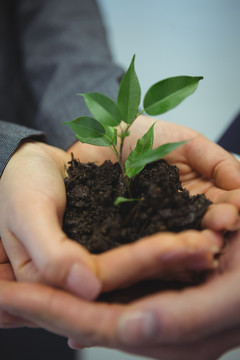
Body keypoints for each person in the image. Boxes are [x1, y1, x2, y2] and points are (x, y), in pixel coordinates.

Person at [1, 0, 240, 359]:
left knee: (45, 324)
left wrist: (92, 117)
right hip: (20, 227)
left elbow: (54, 12)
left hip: (33, 254)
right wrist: (8, 155)